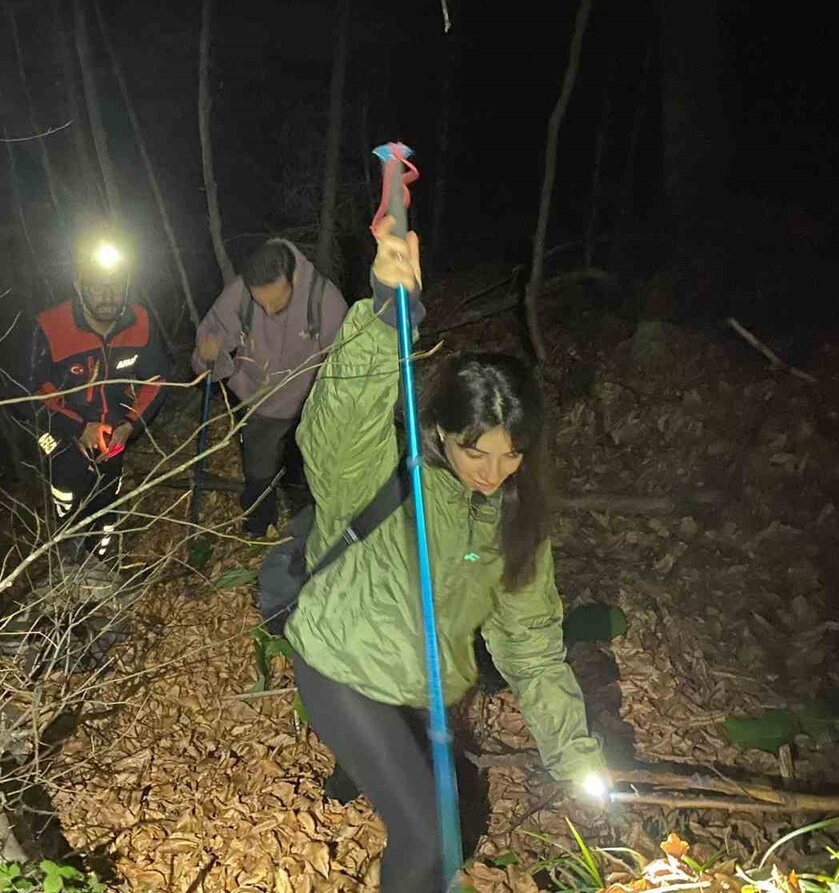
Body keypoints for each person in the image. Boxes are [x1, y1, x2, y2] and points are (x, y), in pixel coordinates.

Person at [285, 218, 607, 891]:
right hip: (342, 665)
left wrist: (576, 757)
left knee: (445, 821)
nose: (494, 471)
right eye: (475, 451)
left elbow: (531, 646)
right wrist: (383, 314)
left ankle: (358, 782)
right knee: (431, 837)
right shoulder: (380, 477)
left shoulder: (513, 520)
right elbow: (335, 420)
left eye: (511, 455)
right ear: (441, 432)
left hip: (420, 690)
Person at [191, 238, 347, 535]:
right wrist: (210, 353)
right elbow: (208, 348)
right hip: (257, 399)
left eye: (275, 300)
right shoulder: (239, 293)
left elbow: (345, 362)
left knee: (307, 474)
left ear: (294, 278)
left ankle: (309, 534)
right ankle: (259, 529)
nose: (267, 308)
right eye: (260, 301)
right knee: (258, 474)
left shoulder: (324, 300)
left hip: (308, 403)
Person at [32, 235, 167, 563]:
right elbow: (33, 392)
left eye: (115, 286)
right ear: (79, 286)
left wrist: (130, 425)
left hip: (114, 431)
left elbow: (158, 379)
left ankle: (102, 563)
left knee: (107, 500)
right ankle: (67, 550)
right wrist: (78, 428)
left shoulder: (139, 322)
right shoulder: (51, 325)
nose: (108, 296)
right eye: (97, 286)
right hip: (59, 427)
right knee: (66, 487)